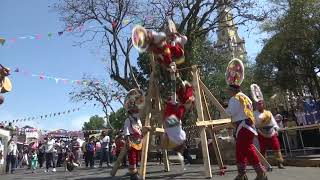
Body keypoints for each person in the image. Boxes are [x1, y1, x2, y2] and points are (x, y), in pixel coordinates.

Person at [226, 85, 267, 180]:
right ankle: (242, 174)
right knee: (240, 150)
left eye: (228, 90)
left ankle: (260, 172)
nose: (228, 92)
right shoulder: (245, 97)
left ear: (232, 90)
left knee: (247, 149)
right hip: (246, 126)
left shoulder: (235, 98)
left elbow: (231, 112)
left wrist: (225, 109)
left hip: (244, 126)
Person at [254, 100, 284, 169]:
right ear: (256, 105)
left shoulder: (268, 112)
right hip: (261, 132)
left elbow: (273, 122)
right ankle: (263, 164)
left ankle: (280, 162)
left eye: (261, 104)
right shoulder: (254, 114)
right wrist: (255, 132)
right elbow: (254, 124)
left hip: (271, 132)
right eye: (258, 104)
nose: (260, 105)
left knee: (276, 147)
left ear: (263, 105)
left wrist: (276, 129)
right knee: (263, 149)